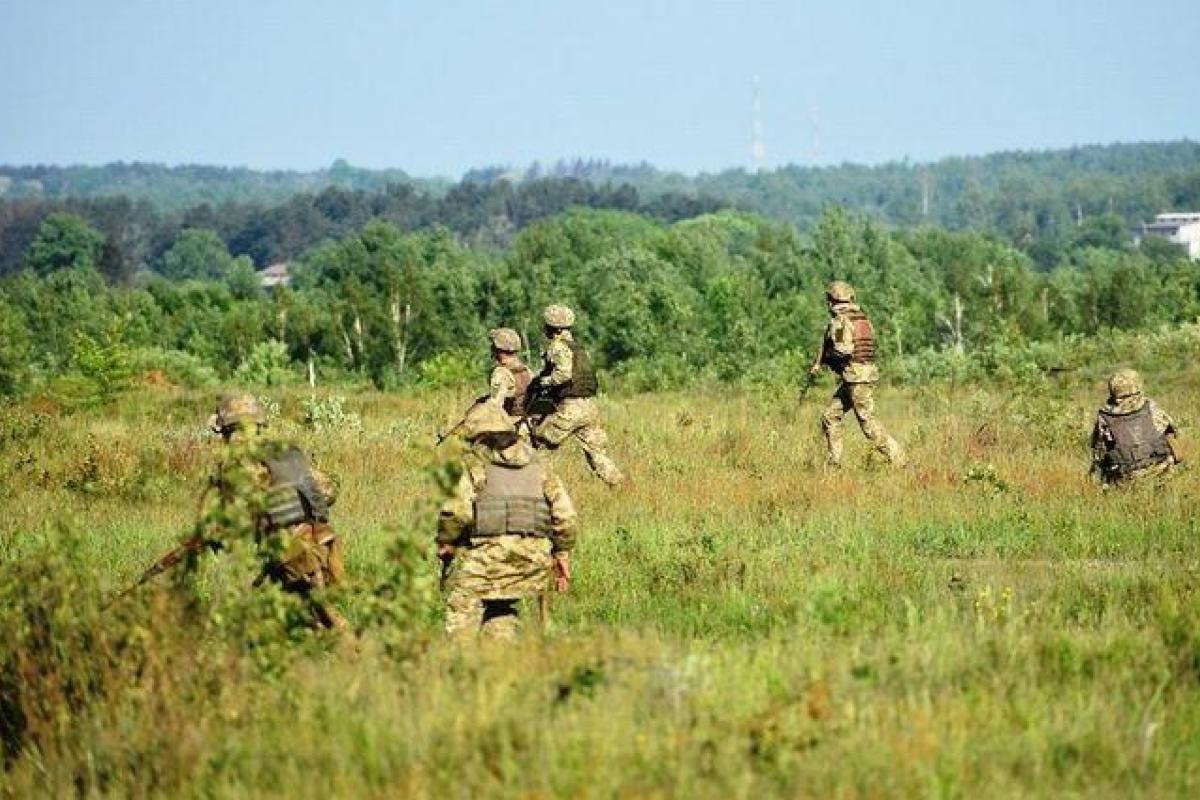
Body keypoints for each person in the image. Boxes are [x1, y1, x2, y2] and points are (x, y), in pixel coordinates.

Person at [181, 393, 347, 630]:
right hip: (320, 539)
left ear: (226, 428)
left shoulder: (237, 462)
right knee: (303, 617)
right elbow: (328, 490)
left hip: (292, 553)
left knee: (322, 618)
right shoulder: (285, 451)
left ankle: (355, 651)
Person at [436, 402, 577, 641]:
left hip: (488, 558)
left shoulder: (475, 467)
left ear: (482, 436)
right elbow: (566, 517)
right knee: (501, 608)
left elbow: (457, 513)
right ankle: (501, 655)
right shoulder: (541, 467)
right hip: (533, 561)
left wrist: (446, 541)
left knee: (461, 602)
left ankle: (459, 666)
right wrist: (561, 553)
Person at [808, 281, 905, 467]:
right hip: (858, 376)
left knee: (867, 424)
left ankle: (900, 460)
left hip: (856, 378)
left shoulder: (840, 321)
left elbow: (843, 349)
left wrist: (827, 358)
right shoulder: (862, 318)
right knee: (830, 416)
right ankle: (833, 463)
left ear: (831, 300)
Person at [528, 304, 625, 486]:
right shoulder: (579, 348)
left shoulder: (557, 347)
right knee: (596, 454)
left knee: (541, 444)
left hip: (569, 408)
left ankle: (536, 488)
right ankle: (619, 485)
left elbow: (564, 374)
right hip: (588, 407)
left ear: (552, 328)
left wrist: (543, 382)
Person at [1090, 368, 1180, 485]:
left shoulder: (1105, 415)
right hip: (1160, 471)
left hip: (1125, 477)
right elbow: (1173, 433)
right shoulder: (1150, 406)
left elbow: (1098, 453)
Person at [486, 327, 533, 420]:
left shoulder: (501, 372)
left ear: (497, 349)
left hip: (510, 425)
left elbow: (494, 407)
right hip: (528, 423)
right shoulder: (527, 370)